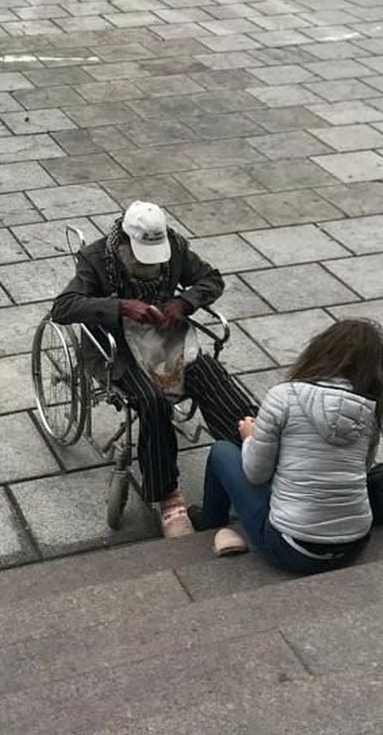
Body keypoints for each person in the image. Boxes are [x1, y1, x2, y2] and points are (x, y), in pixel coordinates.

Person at [51, 202, 257, 538]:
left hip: (165, 339)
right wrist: (120, 307)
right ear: (126, 241)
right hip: (116, 347)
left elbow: (211, 279)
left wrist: (183, 302)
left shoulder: (174, 248)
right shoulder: (96, 258)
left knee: (211, 375)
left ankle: (252, 448)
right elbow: (63, 307)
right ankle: (167, 495)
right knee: (153, 401)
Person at [193, 319, 383, 574]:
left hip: (293, 549)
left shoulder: (284, 396)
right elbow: (362, 467)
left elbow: (255, 474)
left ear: (320, 350)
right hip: (353, 543)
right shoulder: (368, 409)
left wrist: (249, 436)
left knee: (222, 452)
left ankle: (211, 522)